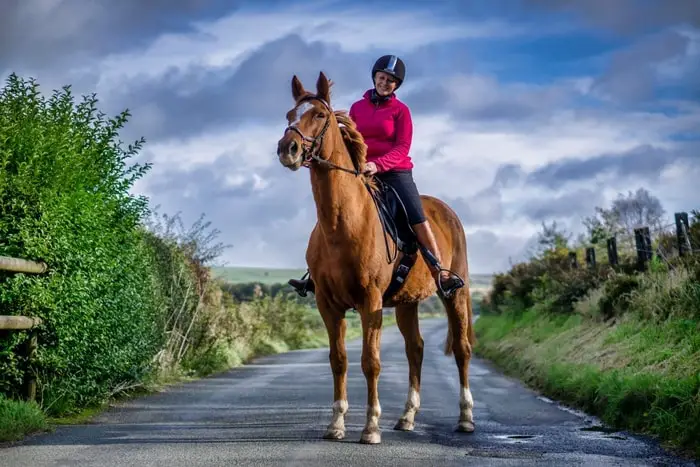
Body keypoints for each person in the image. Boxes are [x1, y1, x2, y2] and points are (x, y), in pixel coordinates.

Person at [289, 54, 465, 298]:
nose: (385, 83)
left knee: (417, 216)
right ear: (375, 77)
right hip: (361, 170)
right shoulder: (357, 108)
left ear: (396, 86)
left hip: (395, 172)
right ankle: (316, 274)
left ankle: (440, 272)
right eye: (382, 77)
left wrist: (378, 165)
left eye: (391, 80)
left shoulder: (401, 111)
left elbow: (402, 147)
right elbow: (347, 141)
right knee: (335, 211)